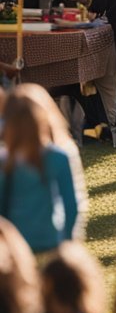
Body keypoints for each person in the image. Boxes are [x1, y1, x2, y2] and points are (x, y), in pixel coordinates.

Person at [0, 86, 80, 254]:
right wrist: (67, 242)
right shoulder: (58, 157)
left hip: (17, 242)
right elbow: (71, 206)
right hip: (52, 238)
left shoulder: (6, 160)